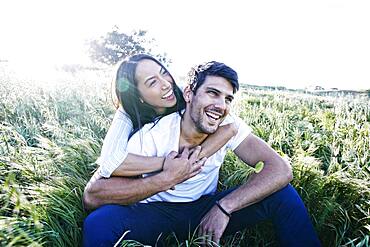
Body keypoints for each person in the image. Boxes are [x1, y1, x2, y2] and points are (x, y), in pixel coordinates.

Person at [83, 61, 321, 246]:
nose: (221, 105)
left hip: (205, 207)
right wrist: (165, 178)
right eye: (212, 93)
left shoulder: (228, 124)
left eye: (227, 98)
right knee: (99, 223)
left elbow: (280, 169)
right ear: (189, 94)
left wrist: (225, 207)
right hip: (156, 212)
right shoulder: (151, 136)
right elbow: (95, 194)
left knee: (282, 194)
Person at [95, 53, 238, 180]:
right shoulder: (126, 114)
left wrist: (193, 158)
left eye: (163, 73)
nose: (166, 84)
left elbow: (231, 126)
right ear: (138, 96)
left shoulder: (187, 93)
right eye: (152, 82)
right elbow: (108, 164)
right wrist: (169, 163)